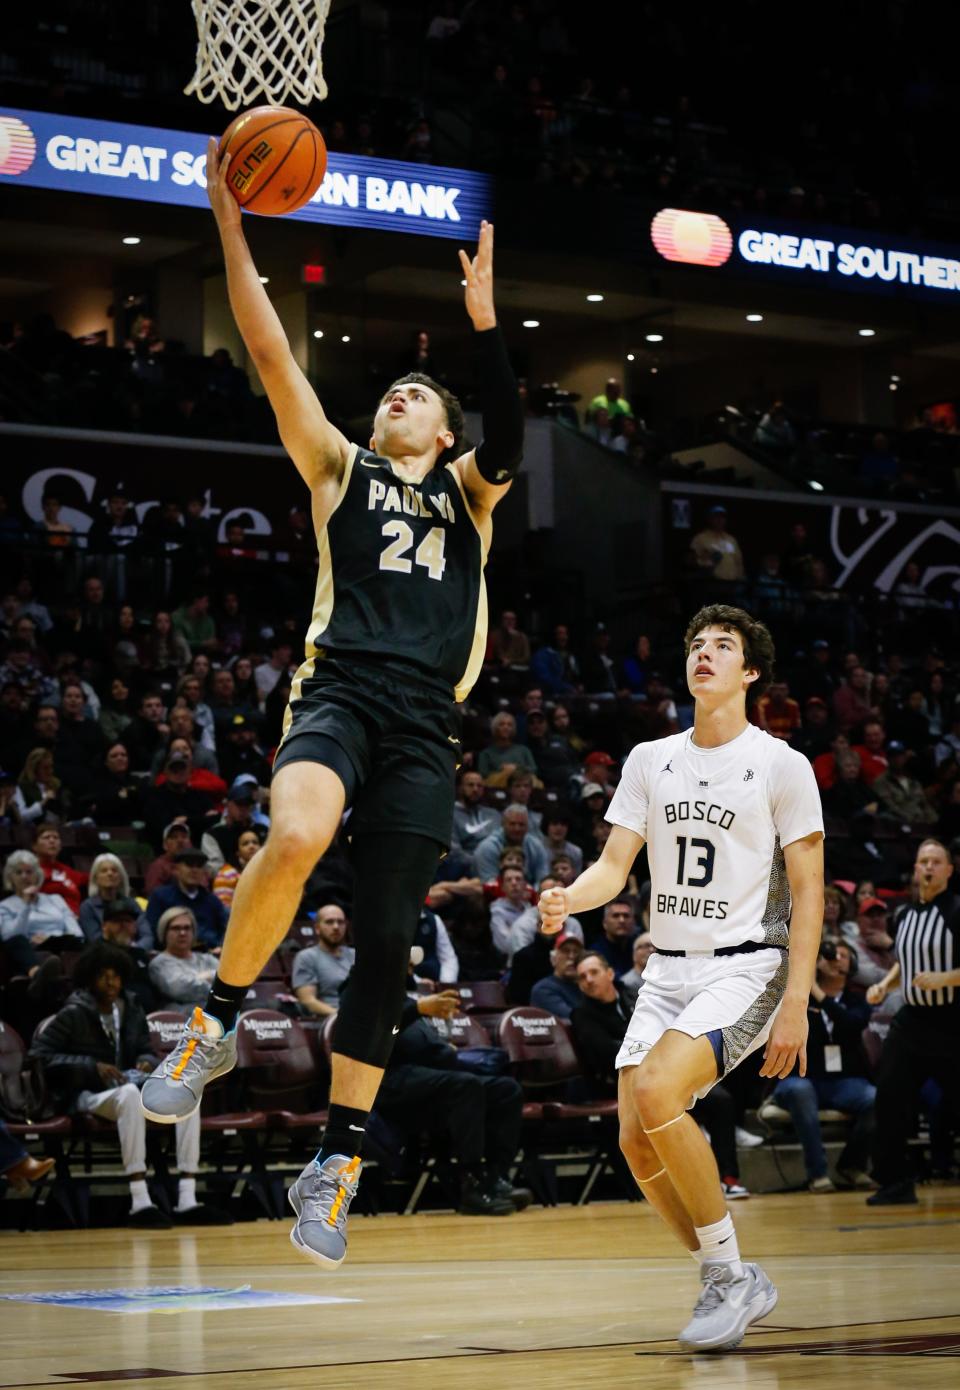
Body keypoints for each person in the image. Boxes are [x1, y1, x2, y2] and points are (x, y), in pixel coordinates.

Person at [142, 156, 521, 1271]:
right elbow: (268, 347)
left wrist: (486, 323)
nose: (397, 398)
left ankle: (338, 1162)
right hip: (343, 688)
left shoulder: (470, 494)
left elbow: (509, 419)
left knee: (392, 944)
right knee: (299, 834)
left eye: (419, 396)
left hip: (425, 723)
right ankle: (213, 1024)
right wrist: (227, 226)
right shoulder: (337, 465)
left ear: (445, 434)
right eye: (392, 391)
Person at [539, 603, 824, 1352]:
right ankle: (727, 1272)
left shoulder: (780, 764)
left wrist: (796, 1002)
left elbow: (811, 891)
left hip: (748, 964)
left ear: (750, 671)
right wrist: (571, 896)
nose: (704, 654)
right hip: (667, 968)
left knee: (663, 1092)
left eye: (722, 646)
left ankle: (729, 1277)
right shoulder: (648, 758)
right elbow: (612, 866)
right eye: (696, 644)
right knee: (636, 1140)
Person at [29, 943, 229, 1227]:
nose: (111, 982)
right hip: (86, 1095)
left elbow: (146, 1048)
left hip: (128, 1085)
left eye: (116, 975)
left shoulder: (131, 1007)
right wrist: (91, 1066)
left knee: (186, 1094)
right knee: (129, 1095)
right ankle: (139, 1200)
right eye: (103, 976)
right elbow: (39, 1056)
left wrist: (145, 1060)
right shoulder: (73, 1013)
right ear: (89, 979)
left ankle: (187, 1197)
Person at [866, 839, 960, 1205]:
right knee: (889, 1095)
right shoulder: (903, 914)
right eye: (923, 861)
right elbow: (906, 960)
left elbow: (940, 971)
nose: (929, 867)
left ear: (949, 870)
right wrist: (884, 984)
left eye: (936, 861)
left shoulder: (955, 911)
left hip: (952, 1022)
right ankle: (894, 1182)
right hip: (912, 1023)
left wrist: (946, 978)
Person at [767, 939, 876, 1192]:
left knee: (875, 1098)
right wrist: (807, 990)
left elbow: (850, 1024)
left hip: (843, 1082)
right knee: (799, 1091)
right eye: (829, 955)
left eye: (843, 956)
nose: (835, 959)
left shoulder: (857, 1000)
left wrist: (818, 993)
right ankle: (817, 1174)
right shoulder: (797, 1000)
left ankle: (852, 1166)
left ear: (853, 964)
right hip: (803, 1078)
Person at [145, 848, 229, 952]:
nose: (194, 870)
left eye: (199, 866)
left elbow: (226, 929)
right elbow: (152, 930)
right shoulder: (160, 896)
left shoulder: (212, 900)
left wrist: (221, 947)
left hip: (209, 955)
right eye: (189, 865)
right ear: (176, 869)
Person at [149, 908, 221, 1012]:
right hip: (177, 1024)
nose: (182, 933)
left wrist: (204, 976)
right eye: (176, 928)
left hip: (217, 1021)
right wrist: (211, 978)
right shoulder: (159, 964)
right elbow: (180, 990)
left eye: (187, 928)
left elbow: (227, 985)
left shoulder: (207, 959)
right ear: (164, 932)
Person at [291, 903, 356, 1018]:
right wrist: (341, 1016)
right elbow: (308, 1001)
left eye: (340, 922)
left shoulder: (355, 955)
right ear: (317, 928)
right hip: (329, 1021)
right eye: (329, 922)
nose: (336, 927)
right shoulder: (306, 957)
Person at [78, 853, 150, 948]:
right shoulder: (88, 907)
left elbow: (147, 936)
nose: (110, 873)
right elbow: (95, 940)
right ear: (96, 878)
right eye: (104, 871)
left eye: (114, 870)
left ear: (120, 877)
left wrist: (135, 950)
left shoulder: (132, 904)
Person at [474, 804, 550, 884]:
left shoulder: (536, 846)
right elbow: (489, 884)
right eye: (512, 824)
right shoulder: (487, 848)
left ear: (527, 826)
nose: (517, 829)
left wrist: (532, 893)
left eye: (521, 824)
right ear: (503, 824)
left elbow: (543, 880)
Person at [451, 768, 501, 861]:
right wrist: (479, 863)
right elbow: (455, 852)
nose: (475, 789)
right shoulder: (451, 815)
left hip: (498, 863)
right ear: (460, 788)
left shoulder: (493, 814)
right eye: (470, 785)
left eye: (479, 786)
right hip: (468, 867)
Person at [529, 932, 584, 1018]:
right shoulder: (543, 989)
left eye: (576, 952)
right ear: (553, 959)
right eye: (565, 951)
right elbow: (573, 1018)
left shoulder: (587, 986)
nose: (571, 956)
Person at [212, 826, 265, 909]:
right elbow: (223, 908)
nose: (251, 846)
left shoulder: (269, 873)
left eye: (255, 842)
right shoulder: (226, 874)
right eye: (245, 843)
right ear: (238, 852)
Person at [620, 929, 654, 1006]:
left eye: (655, 947)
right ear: (634, 953)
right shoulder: (627, 983)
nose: (652, 950)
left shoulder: (662, 978)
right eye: (646, 946)